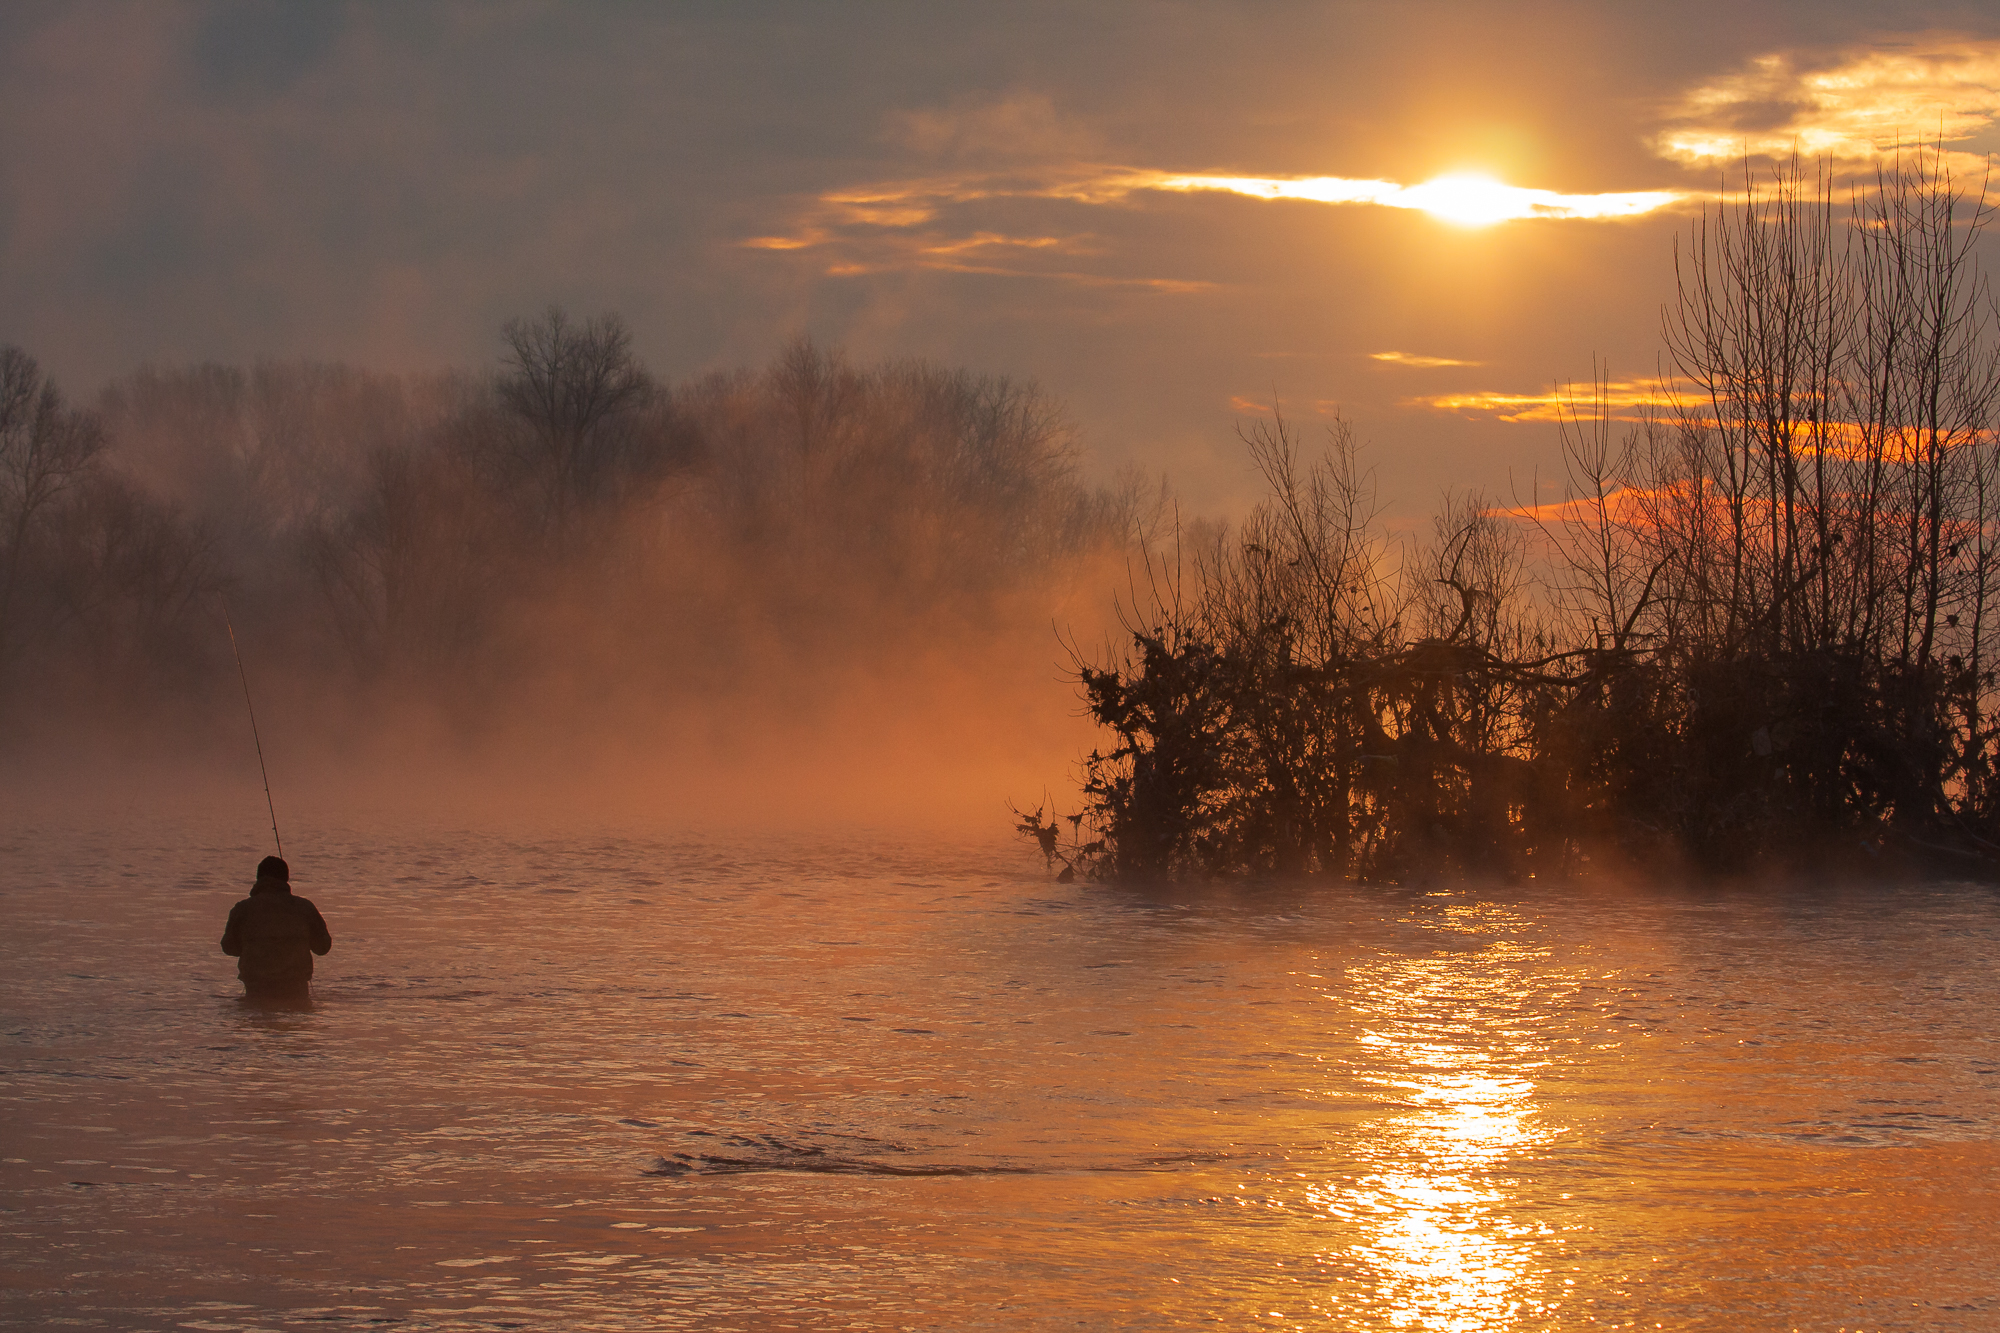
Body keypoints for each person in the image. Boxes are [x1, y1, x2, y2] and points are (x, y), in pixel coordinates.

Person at [220, 856, 332, 1006]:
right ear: (286, 878)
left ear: (258, 879)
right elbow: (323, 947)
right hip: (295, 989)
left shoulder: (243, 909)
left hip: (256, 989)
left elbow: (229, 947)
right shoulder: (304, 907)